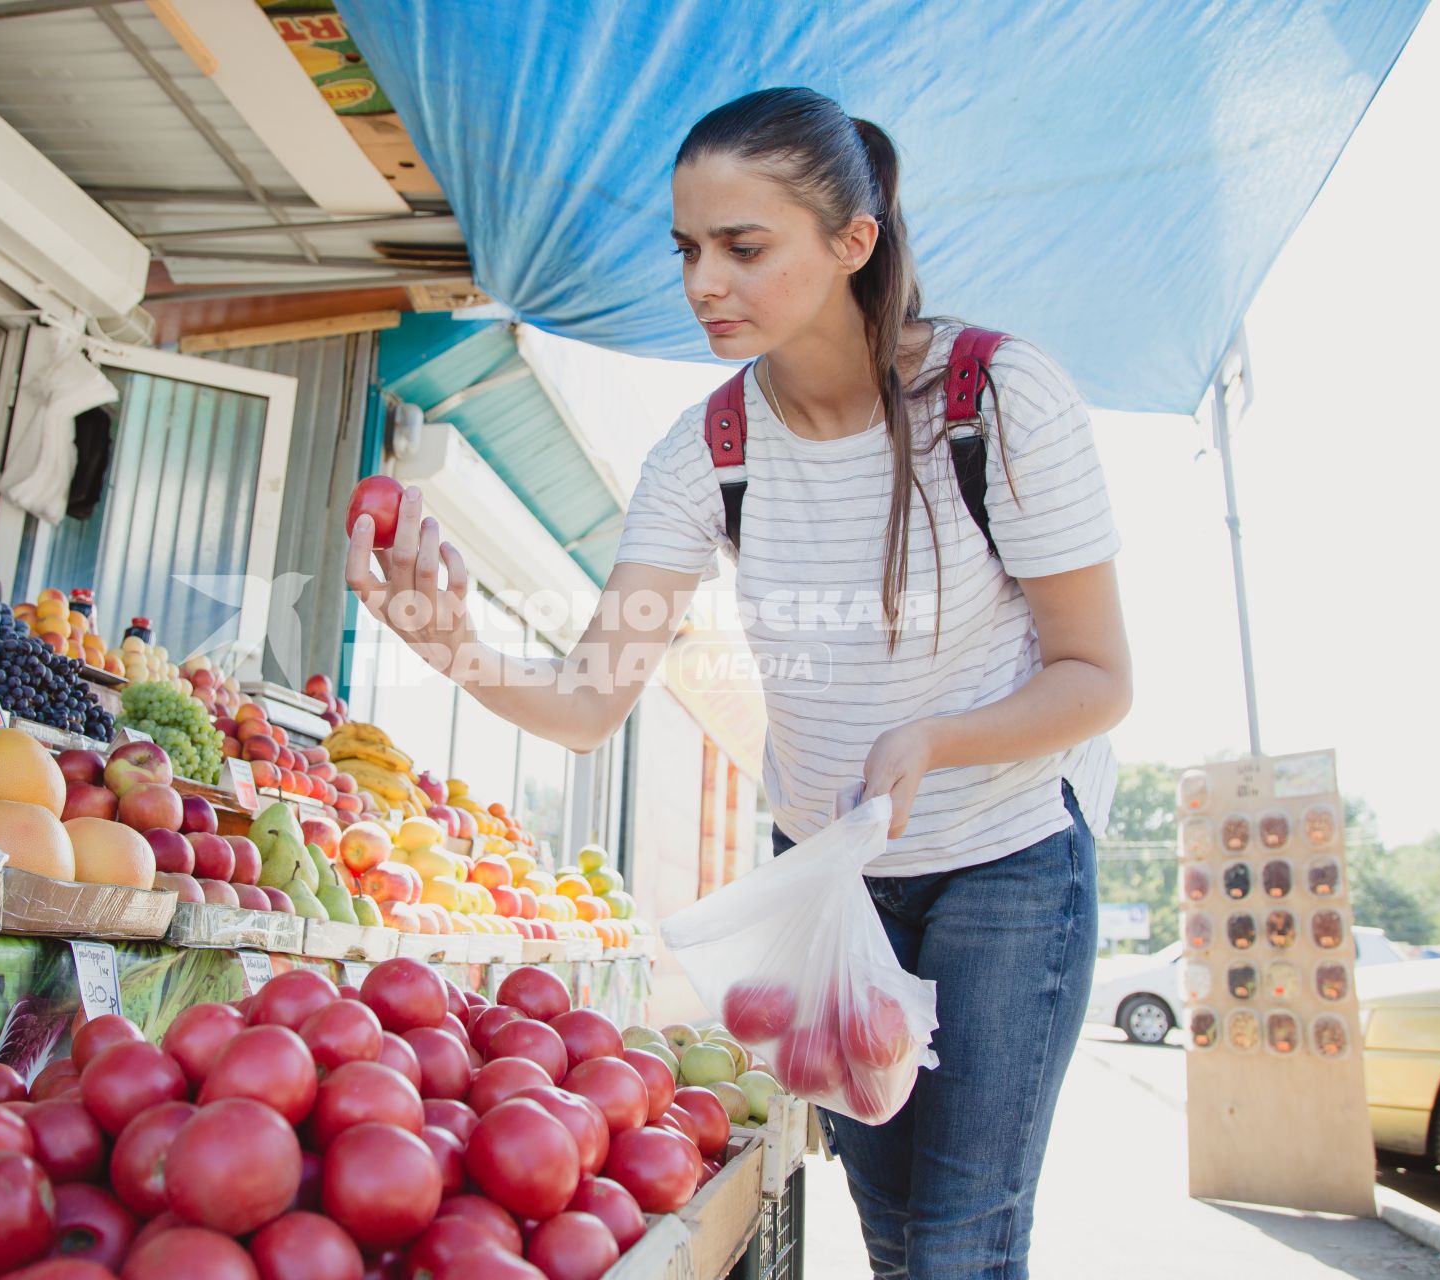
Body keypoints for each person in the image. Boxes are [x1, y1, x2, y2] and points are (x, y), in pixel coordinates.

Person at [346, 86, 1131, 1279]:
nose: (703, 280)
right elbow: (588, 699)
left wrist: (936, 735)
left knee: (964, 1241)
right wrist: (445, 641)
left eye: (743, 247)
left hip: (1006, 859)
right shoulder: (707, 449)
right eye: (689, 249)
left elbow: (1097, 675)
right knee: (896, 1236)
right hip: (826, 884)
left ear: (852, 242)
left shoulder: (995, 399)